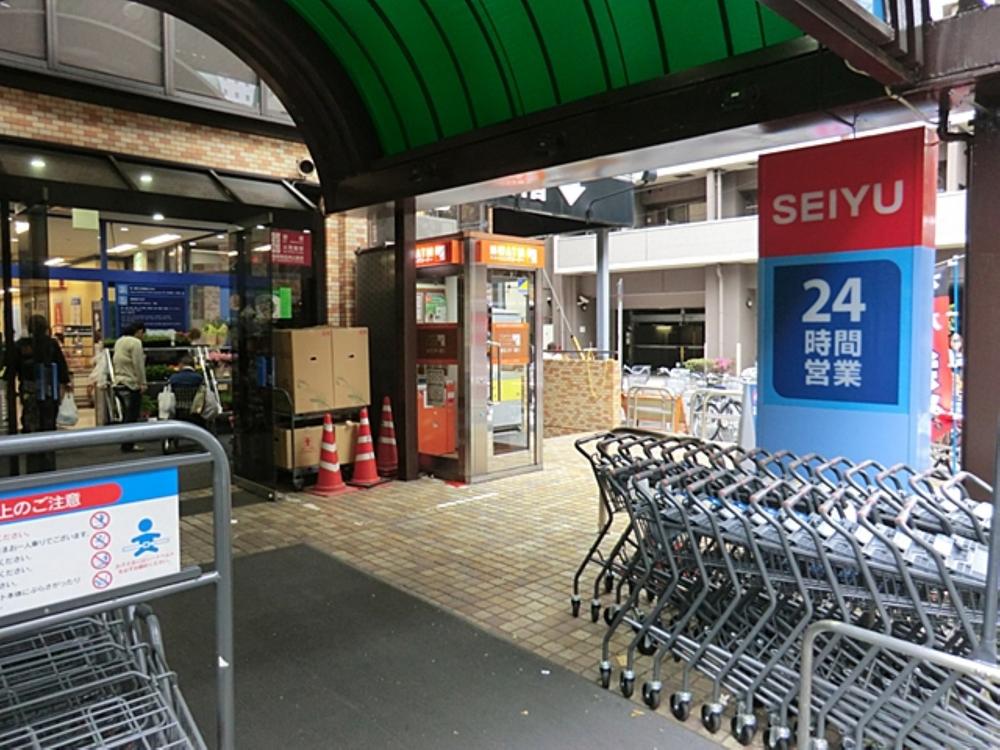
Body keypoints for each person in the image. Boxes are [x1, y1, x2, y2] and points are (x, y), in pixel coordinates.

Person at [5, 315, 71, 473]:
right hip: (49, 391)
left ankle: (33, 464)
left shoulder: (21, 345)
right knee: (48, 425)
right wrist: (64, 384)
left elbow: (10, 371)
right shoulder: (51, 344)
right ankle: (48, 463)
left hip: (29, 391)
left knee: (30, 425)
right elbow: (62, 368)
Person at [112, 320, 147, 452]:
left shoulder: (119, 341)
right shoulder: (136, 343)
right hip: (131, 383)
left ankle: (125, 443)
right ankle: (128, 444)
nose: (143, 336)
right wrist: (143, 382)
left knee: (126, 415)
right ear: (139, 331)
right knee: (132, 416)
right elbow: (138, 364)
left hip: (119, 382)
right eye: (143, 333)